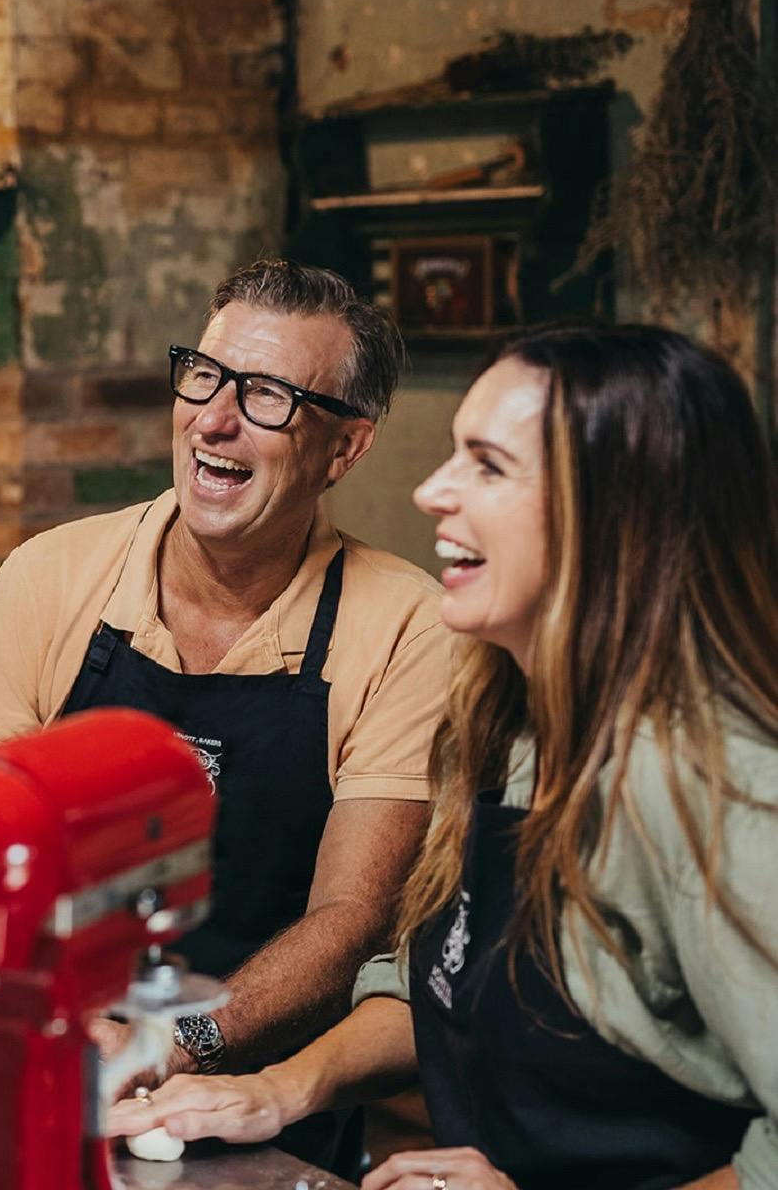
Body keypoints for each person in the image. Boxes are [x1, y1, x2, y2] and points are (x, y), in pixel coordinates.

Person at [107, 323, 778, 1190]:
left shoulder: (714, 790)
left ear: (616, 514)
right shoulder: (501, 723)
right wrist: (273, 1093)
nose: (430, 492)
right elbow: (434, 978)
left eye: (487, 466)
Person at [0, 258, 450, 1173]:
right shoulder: (52, 576)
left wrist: (171, 1047)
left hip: (251, 1106)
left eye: (267, 396)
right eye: (204, 375)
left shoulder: (405, 627)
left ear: (346, 449)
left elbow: (351, 915)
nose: (213, 418)